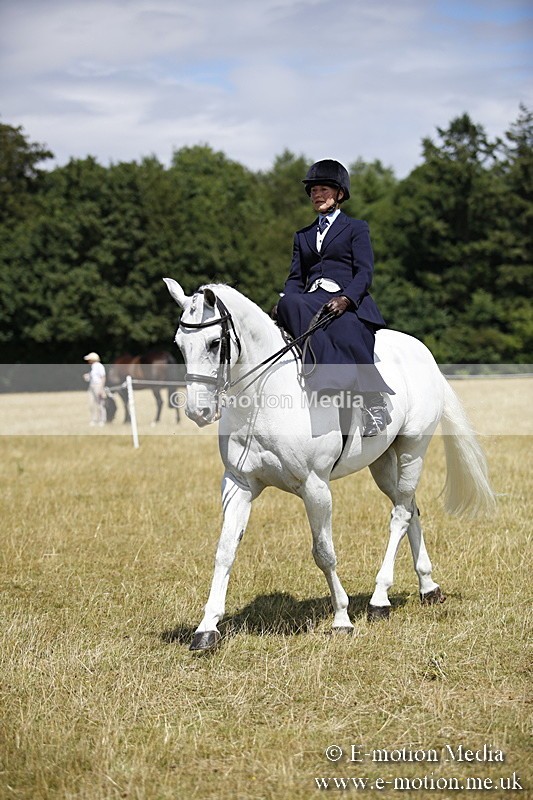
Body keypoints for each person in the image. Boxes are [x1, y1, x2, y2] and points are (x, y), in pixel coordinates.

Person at [275, 159, 393, 437]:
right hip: (311, 298)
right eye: (314, 190)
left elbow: (364, 272)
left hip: (346, 297)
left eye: (324, 189)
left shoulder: (356, 228)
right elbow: (295, 278)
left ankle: (374, 402)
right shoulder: (302, 236)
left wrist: (346, 300)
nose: (317, 195)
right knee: (286, 302)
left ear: (340, 194)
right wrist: (285, 304)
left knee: (347, 328)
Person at [83, 351, 107, 426]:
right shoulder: (93, 367)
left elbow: (103, 377)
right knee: (91, 403)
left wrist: (101, 388)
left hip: (98, 385)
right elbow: (93, 376)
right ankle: (94, 419)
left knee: (100, 404)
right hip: (92, 386)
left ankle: (102, 420)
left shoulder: (100, 366)